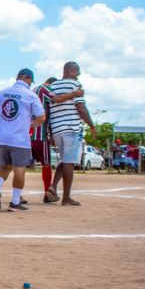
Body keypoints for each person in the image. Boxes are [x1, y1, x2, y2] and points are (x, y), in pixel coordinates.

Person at [0, 68, 46, 211]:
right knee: (19, 169)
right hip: (19, 138)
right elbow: (42, 117)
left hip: (2, 137)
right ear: (27, 79)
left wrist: (6, 121)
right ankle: (14, 201)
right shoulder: (30, 95)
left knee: (4, 166)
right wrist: (31, 125)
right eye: (30, 81)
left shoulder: (1, 92)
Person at [47, 62, 97, 205]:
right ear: (71, 71)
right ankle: (66, 198)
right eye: (78, 72)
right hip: (71, 128)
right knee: (69, 162)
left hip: (57, 129)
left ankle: (53, 186)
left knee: (65, 160)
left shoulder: (53, 86)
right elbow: (81, 109)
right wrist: (92, 126)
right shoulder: (75, 85)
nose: (78, 75)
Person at [31, 77, 56, 202]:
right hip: (40, 135)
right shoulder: (45, 89)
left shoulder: (32, 90)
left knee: (20, 165)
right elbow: (53, 107)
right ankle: (47, 194)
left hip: (26, 133)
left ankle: (17, 194)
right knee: (46, 164)